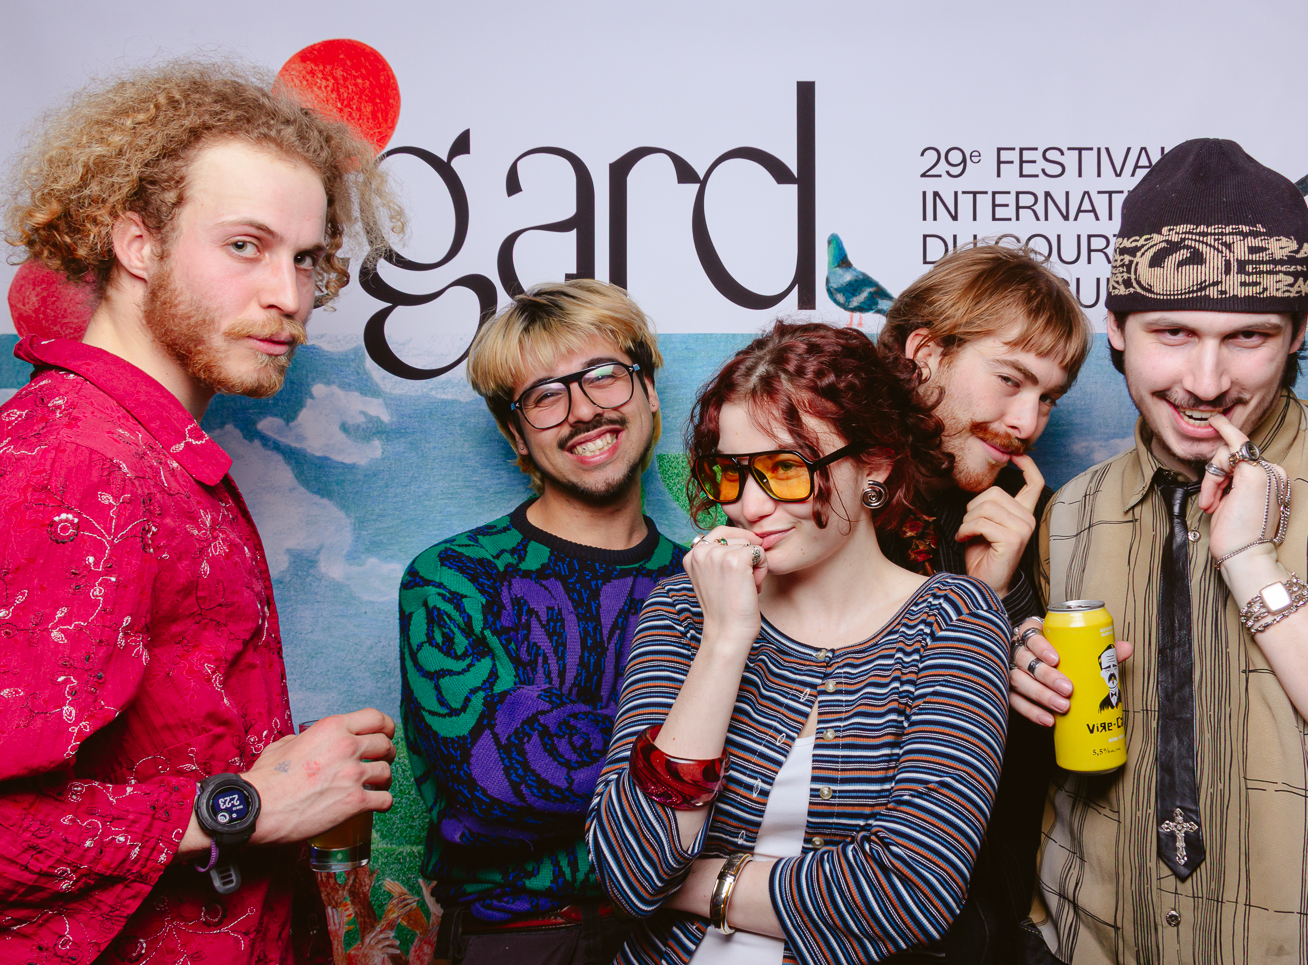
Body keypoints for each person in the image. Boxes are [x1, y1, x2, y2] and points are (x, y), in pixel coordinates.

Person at [1008, 138, 1308, 965]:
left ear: (1298, 331)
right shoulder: (1070, 511)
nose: (1206, 380)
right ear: (1117, 326)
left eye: (1248, 336)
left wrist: (1250, 562)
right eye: (1172, 331)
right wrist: (1022, 668)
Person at [0, 60, 404, 963]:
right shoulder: (74, 464)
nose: (289, 296)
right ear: (137, 244)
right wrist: (247, 806)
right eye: (245, 246)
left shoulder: (159, 457)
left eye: (305, 259)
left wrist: (278, 782)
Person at [588, 321, 1012, 964]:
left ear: (874, 464)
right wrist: (725, 641)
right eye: (730, 473)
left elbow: (914, 891)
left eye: (785, 468)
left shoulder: (953, 619)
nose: (748, 506)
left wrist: (697, 884)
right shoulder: (683, 610)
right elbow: (628, 870)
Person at [399, 280, 687, 965]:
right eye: (545, 395)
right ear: (516, 433)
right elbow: (497, 784)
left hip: (687, 934)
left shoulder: (707, 581)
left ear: (648, 390)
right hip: (520, 940)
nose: (583, 410)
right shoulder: (452, 578)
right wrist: (693, 757)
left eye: (604, 376)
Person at [876, 241, 1093, 964]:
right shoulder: (818, 501)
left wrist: (1003, 607)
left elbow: (1023, 777)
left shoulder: (1024, 523)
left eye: (1049, 397)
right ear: (925, 354)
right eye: (1010, 380)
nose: (1028, 421)